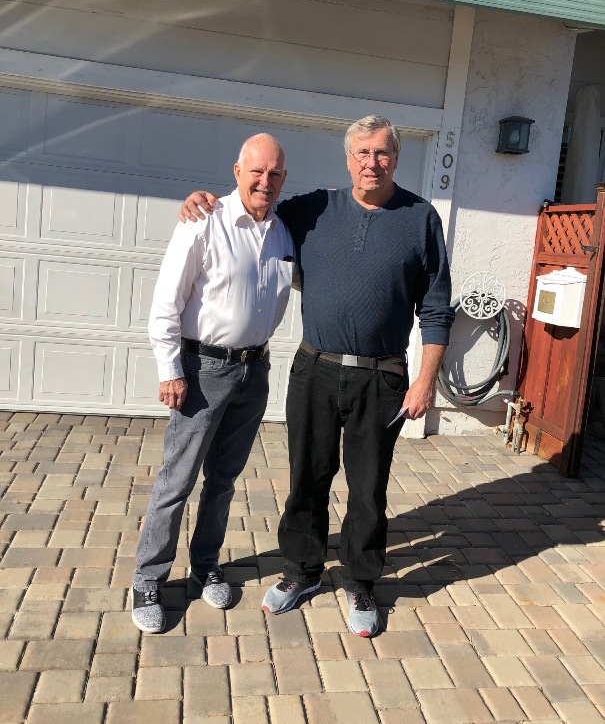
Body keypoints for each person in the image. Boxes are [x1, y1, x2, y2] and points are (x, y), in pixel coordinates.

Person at [178, 116, 454, 637]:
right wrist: (205, 201)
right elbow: (254, 206)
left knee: (368, 489)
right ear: (347, 159)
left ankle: (361, 581)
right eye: (362, 153)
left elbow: (437, 307)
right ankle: (302, 571)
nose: (372, 163)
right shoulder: (313, 210)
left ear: (396, 158)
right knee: (306, 478)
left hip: (382, 377)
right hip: (315, 370)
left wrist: (426, 380)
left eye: (382, 153)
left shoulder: (420, 218)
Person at [131, 133, 294, 634]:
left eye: (274, 173)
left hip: (254, 371)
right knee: (177, 481)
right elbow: (167, 302)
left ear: (283, 178)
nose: (265, 181)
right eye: (256, 171)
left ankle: (205, 566)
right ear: (237, 171)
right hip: (203, 370)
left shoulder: (284, 233)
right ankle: (148, 579)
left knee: (223, 480)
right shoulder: (204, 220)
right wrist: (170, 369)